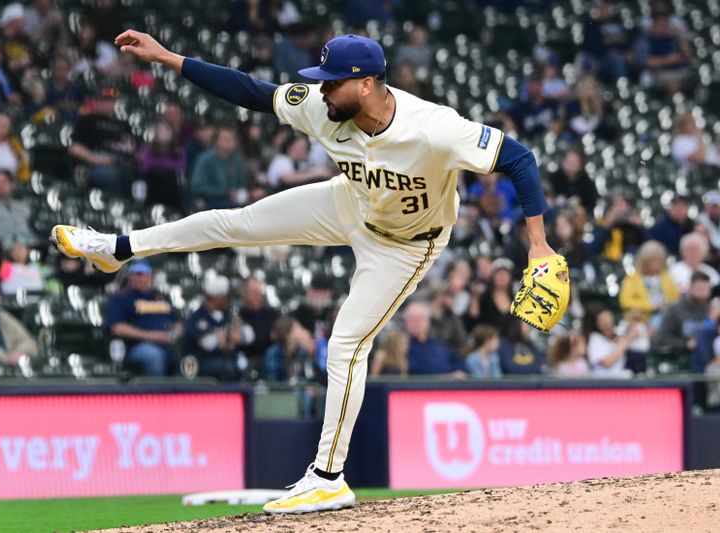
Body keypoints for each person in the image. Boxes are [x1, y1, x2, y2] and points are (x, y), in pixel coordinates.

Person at [52, 30, 558, 514]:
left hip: (406, 246)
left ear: (366, 84)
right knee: (239, 221)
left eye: (331, 80)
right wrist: (169, 59)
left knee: (345, 345)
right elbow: (251, 91)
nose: (321, 88)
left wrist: (537, 247)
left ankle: (328, 479)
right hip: (351, 204)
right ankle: (119, 249)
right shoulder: (323, 105)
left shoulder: (434, 128)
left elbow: (519, 157)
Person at [105, 260, 182, 376]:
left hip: (167, 343)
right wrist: (151, 336)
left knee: (185, 357)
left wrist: (173, 335)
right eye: (135, 274)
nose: (138, 278)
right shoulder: (121, 297)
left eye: (142, 274)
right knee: (153, 355)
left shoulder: (160, 296)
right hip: (137, 345)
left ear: (150, 276)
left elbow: (177, 323)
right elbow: (117, 327)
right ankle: (155, 392)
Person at [69, 85, 136, 194]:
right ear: (96, 101)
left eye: (109, 101)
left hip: (126, 165)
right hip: (100, 166)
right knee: (110, 175)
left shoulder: (124, 124)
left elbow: (134, 149)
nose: (106, 103)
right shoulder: (88, 121)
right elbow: (74, 148)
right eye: (102, 100)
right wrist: (95, 159)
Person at [184, 274, 245, 380]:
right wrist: (227, 337)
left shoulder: (228, 315)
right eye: (226, 297)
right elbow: (206, 344)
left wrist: (224, 338)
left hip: (228, 359)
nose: (229, 300)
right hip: (201, 362)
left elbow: (244, 336)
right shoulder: (198, 317)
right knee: (227, 368)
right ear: (217, 298)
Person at [652, 271, 712, 358]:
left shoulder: (710, 310)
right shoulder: (674, 309)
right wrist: (685, 344)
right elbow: (662, 339)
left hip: (705, 357)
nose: (703, 292)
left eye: (706, 288)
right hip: (678, 357)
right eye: (700, 288)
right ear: (690, 287)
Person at [190, 126, 248, 210]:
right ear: (216, 141)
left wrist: (240, 192)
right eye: (225, 139)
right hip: (209, 202)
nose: (229, 142)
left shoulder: (237, 160)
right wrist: (224, 192)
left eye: (231, 139)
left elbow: (242, 183)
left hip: (234, 202)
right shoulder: (205, 160)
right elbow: (197, 186)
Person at [404, 301, 468, 377]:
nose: (416, 323)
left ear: (428, 321)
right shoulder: (403, 347)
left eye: (420, 319)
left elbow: (459, 362)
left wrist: (458, 371)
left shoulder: (438, 345)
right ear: (406, 322)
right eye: (412, 319)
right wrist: (446, 376)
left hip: (447, 386)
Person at [583, 305, 637, 378]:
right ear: (596, 323)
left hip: (618, 380)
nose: (608, 321)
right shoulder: (594, 338)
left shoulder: (616, 334)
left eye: (608, 317)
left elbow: (633, 330)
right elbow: (607, 363)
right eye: (603, 319)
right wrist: (625, 342)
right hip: (601, 383)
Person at [0, 112, 30, 182]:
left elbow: (24, 165)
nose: (0, 127)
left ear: (9, 128)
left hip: (13, 183)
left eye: (4, 125)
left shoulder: (15, 144)